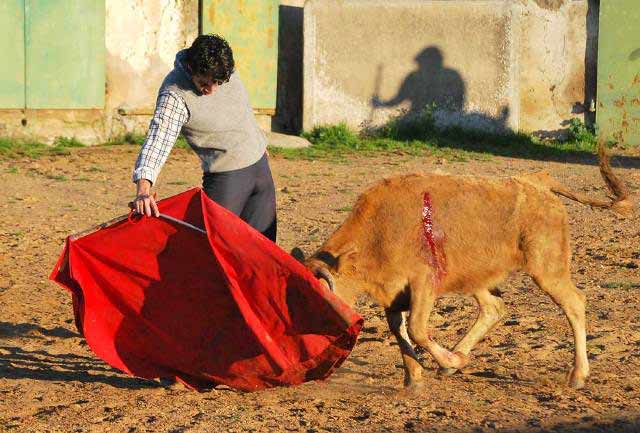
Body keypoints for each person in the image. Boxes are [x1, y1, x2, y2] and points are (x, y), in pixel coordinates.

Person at [131, 34, 277, 242]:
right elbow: (158, 141)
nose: (212, 90)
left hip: (261, 168)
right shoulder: (175, 94)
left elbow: (240, 107)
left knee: (264, 251)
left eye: (218, 82)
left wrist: (257, 140)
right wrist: (144, 189)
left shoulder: (224, 69)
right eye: (205, 83)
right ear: (191, 68)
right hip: (228, 179)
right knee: (212, 249)